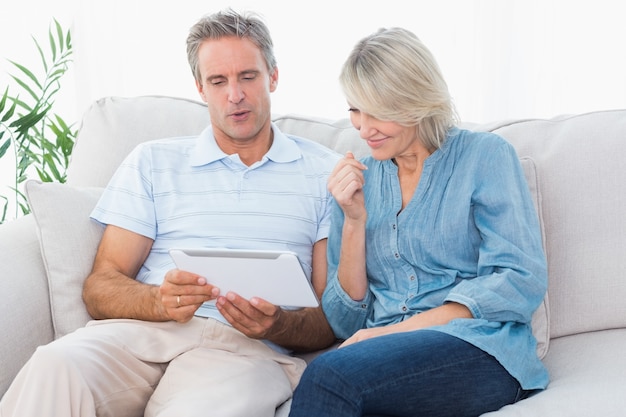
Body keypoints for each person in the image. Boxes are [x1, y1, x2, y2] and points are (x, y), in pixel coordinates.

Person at [0, 8, 340, 417]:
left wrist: (279, 326)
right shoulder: (153, 161)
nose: (235, 95)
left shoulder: (326, 172)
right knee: (55, 366)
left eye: (247, 76)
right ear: (200, 87)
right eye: (218, 81)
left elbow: (328, 315)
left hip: (245, 353)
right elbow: (100, 285)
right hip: (142, 336)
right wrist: (158, 301)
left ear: (273, 76)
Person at [288, 27, 549, 417]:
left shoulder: (485, 156)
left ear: (417, 100)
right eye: (355, 109)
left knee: (330, 377)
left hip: (477, 348)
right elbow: (344, 321)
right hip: (383, 357)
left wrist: (387, 333)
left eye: (378, 111)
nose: (363, 127)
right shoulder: (360, 179)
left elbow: (519, 280)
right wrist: (356, 221)